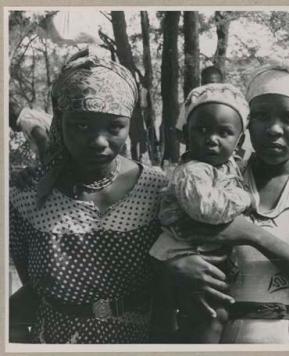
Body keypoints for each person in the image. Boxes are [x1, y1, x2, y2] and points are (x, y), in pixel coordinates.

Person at [165, 59, 289, 343]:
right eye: (260, 116)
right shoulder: (214, 178)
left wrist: (254, 235)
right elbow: (172, 243)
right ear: (246, 123)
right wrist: (174, 269)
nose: (273, 129)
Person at [9, 49, 170, 343]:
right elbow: (31, 282)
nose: (98, 141)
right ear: (59, 122)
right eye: (81, 125)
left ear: (128, 125)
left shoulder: (156, 189)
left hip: (139, 340)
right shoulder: (27, 196)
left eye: (114, 127)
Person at [149, 83, 252, 343]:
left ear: (239, 140)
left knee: (212, 312)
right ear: (186, 135)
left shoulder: (226, 166)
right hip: (183, 249)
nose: (212, 139)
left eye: (224, 132)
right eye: (202, 130)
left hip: (203, 248)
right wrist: (244, 198)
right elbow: (206, 209)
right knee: (210, 315)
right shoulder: (194, 171)